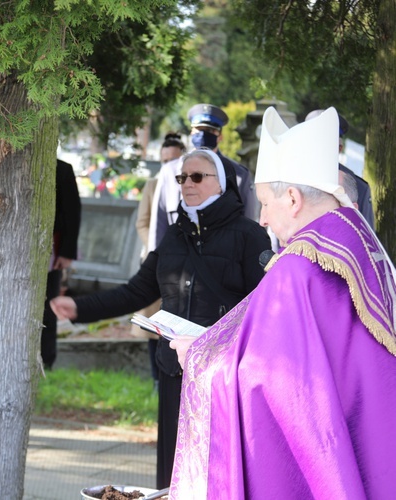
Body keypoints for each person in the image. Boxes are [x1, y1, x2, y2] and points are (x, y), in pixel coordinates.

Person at [168, 107, 396, 499]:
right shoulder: (361, 240)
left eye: (265, 204)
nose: (261, 220)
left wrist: (199, 358)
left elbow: (272, 376)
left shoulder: (298, 267)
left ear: (292, 199)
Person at [51, 148, 271, 489]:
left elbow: (261, 309)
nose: (187, 184)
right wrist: (81, 309)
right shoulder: (174, 235)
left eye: (197, 176)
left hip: (220, 373)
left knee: (216, 467)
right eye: (182, 177)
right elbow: (137, 292)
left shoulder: (249, 235)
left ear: (222, 184)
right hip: (173, 368)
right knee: (173, 465)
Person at [149, 105, 258, 255]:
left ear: (220, 136)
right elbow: (158, 224)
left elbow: (249, 226)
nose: (203, 134)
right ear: (191, 132)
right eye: (199, 130)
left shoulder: (238, 175)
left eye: (210, 131)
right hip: (177, 265)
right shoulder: (169, 171)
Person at [131, 134, 187, 384]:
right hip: (156, 258)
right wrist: (156, 247)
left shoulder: (188, 183)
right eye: (164, 159)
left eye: (172, 160)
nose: (167, 165)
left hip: (183, 266)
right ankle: (156, 377)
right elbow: (142, 222)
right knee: (152, 324)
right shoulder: (153, 185)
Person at [40, 159, 81, 369]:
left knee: (48, 306)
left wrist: (66, 252)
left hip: (50, 251)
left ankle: (46, 360)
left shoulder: (62, 169)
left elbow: (72, 212)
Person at [305, 108, 374, 227]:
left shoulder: (359, 188)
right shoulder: (287, 178)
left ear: (339, 149)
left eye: (325, 145)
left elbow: (365, 236)